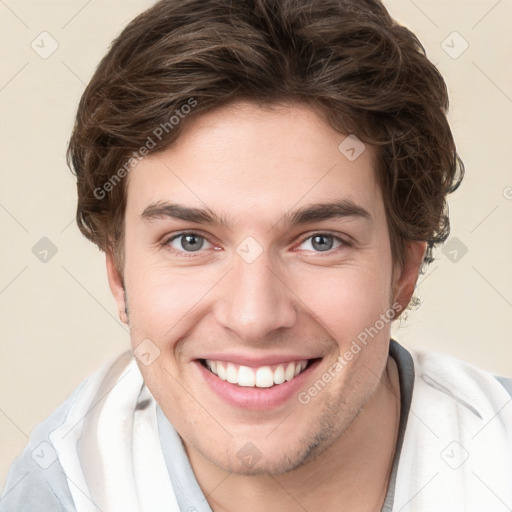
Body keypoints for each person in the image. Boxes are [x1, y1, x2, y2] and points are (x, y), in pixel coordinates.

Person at [1, 0, 511, 510]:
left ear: (403, 273)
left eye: (320, 241)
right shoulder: (58, 491)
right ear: (119, 276)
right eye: (190, 241)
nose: (253, 318)